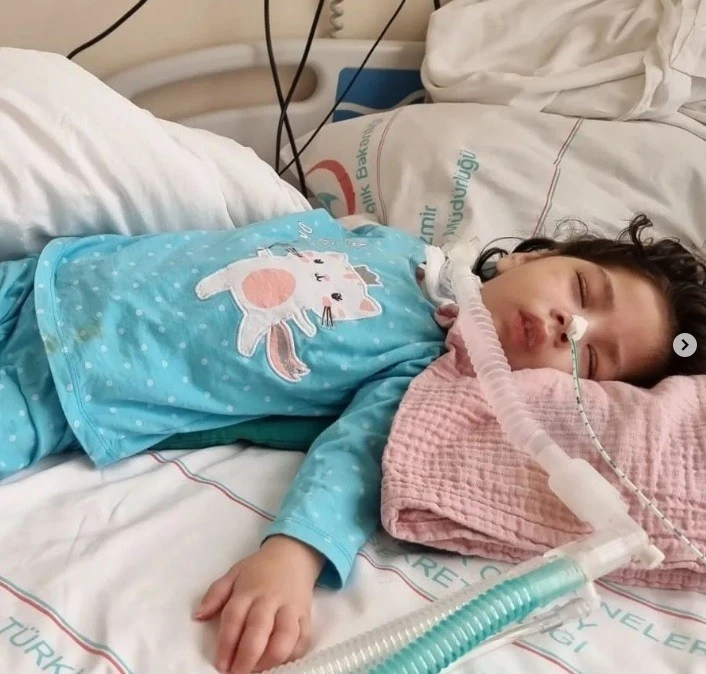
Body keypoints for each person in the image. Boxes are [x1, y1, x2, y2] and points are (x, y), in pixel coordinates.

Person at [0, 210, 704, 673]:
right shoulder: (393, 246)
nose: (568, 326)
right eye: (582, 290)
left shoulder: (426, 374)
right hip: (46, 275)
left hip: (65, 391)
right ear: (535, 255)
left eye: (590, 357)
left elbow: (357, 457)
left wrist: (294, 555)